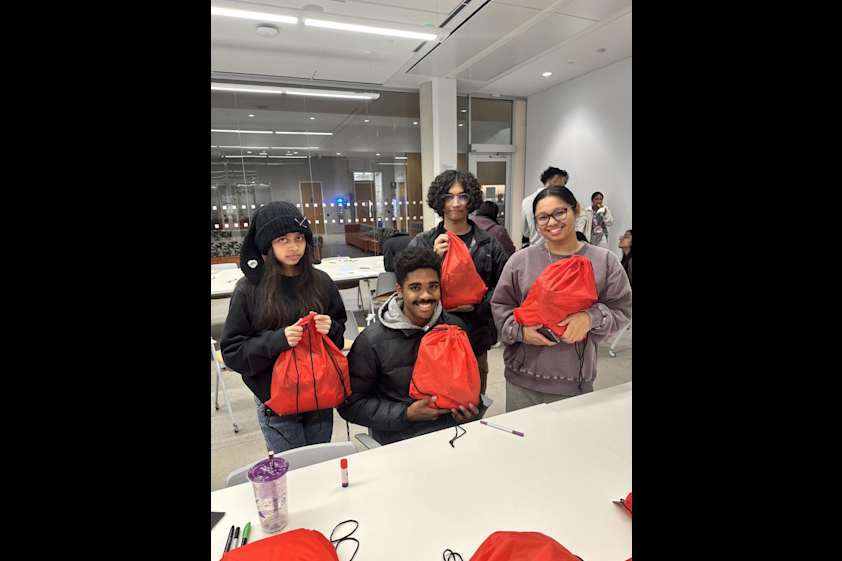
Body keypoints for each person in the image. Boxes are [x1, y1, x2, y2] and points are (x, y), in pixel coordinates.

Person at [221, 201, 347, 454]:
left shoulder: (320, 282)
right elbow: (233, 353)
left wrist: (331, 327)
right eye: (282, 239)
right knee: (292, 470)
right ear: (267, 245)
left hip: (319, 391)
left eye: (299, 237)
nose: (293, 247)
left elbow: (340, 335)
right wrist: (277, 340)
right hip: (276, 399)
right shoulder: (249, 289)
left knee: (320, 463)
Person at [492, 186, 632, 412]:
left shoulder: (603, 261)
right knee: (523, 443)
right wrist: (521, 332)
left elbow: (622, 310)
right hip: (521, 377)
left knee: (567, 444)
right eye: (543, 217)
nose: (552, 222)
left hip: (573, 379)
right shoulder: (521, 260)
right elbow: (500, 306)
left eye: (560, 213)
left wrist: (591, 317)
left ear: (576, 210)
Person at [338, 247, 483, 446]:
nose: (426, 296)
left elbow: (470, 385)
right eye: (415, 288)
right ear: (399, 290)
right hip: (400, 442)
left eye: (433, 286)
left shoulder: (456, 329)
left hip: (453, 436)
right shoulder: (372, 341)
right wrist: (406, 414)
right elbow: (350, 405)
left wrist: (470, 411)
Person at [409, 170, 509, 395]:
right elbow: (407, 289)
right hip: (431, 337)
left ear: (471, 199)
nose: (455, 203)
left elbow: (505, 288)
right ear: (440, 201)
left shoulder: (489, 244)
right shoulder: (423, 242)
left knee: (473, 400)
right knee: (434, 402)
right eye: (448, 197)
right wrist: (433, 260)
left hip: (474, 337)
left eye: (462, 196)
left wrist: (478, 305)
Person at [522, 167, 569, 249]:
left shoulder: (526, 201)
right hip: (558, 249)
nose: (564, 186)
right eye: (564, 182)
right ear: (556, 178)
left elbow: (525, 232)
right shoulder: (562, 200)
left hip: (535, 250)